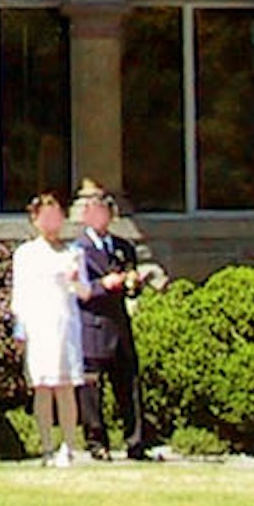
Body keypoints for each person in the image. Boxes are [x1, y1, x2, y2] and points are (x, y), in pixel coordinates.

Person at [68, 184, 158, 459]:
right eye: (94, 213)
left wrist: (133, 283)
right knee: (92, 390)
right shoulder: (77, 250)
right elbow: (75, 289)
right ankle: (97, 443)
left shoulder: (123, 247)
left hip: (119, 326)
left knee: (128, 386)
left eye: (105, 213)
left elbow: (131, 282)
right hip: (93, 325)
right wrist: (102, 285)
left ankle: (136, 441)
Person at [8, 191, 87, 464]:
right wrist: (20, 330)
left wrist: (75, 280)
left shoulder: (74, 252)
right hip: (38, 326)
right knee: (42, 387)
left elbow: (84, 292)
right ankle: (46, 447)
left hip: (65, 324)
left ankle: (68, 445)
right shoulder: (25, 254)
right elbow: (20, 295)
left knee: (65, 388)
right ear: (35, 220)